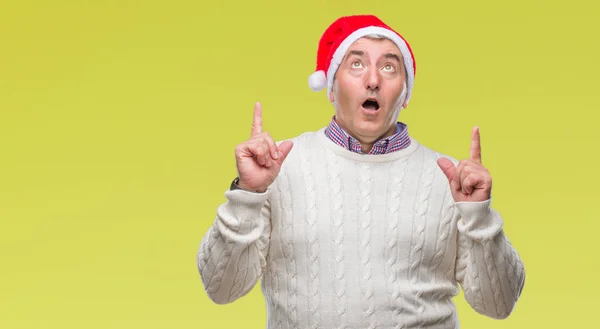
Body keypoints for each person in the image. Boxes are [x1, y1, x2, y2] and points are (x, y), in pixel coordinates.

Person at [197, 14, 525, 329]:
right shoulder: (276, 166)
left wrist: (478, 215)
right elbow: (221, 288)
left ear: (406, 93)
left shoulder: (451, 181)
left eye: (388, 67)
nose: (372, 80)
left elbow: (499, 305)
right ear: (330, 87)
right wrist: (247, 194)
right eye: (356, 64)